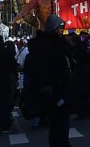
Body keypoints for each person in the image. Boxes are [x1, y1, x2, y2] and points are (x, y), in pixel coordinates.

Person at [27, 15, 74, 147]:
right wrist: (48, 88)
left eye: (62, 28)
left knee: (61, 123)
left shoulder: (59, 43)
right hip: (53, 90)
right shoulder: (45, 45)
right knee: (58, 123)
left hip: (62, 87)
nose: (61, 30)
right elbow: (41, 68)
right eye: (59, 28)